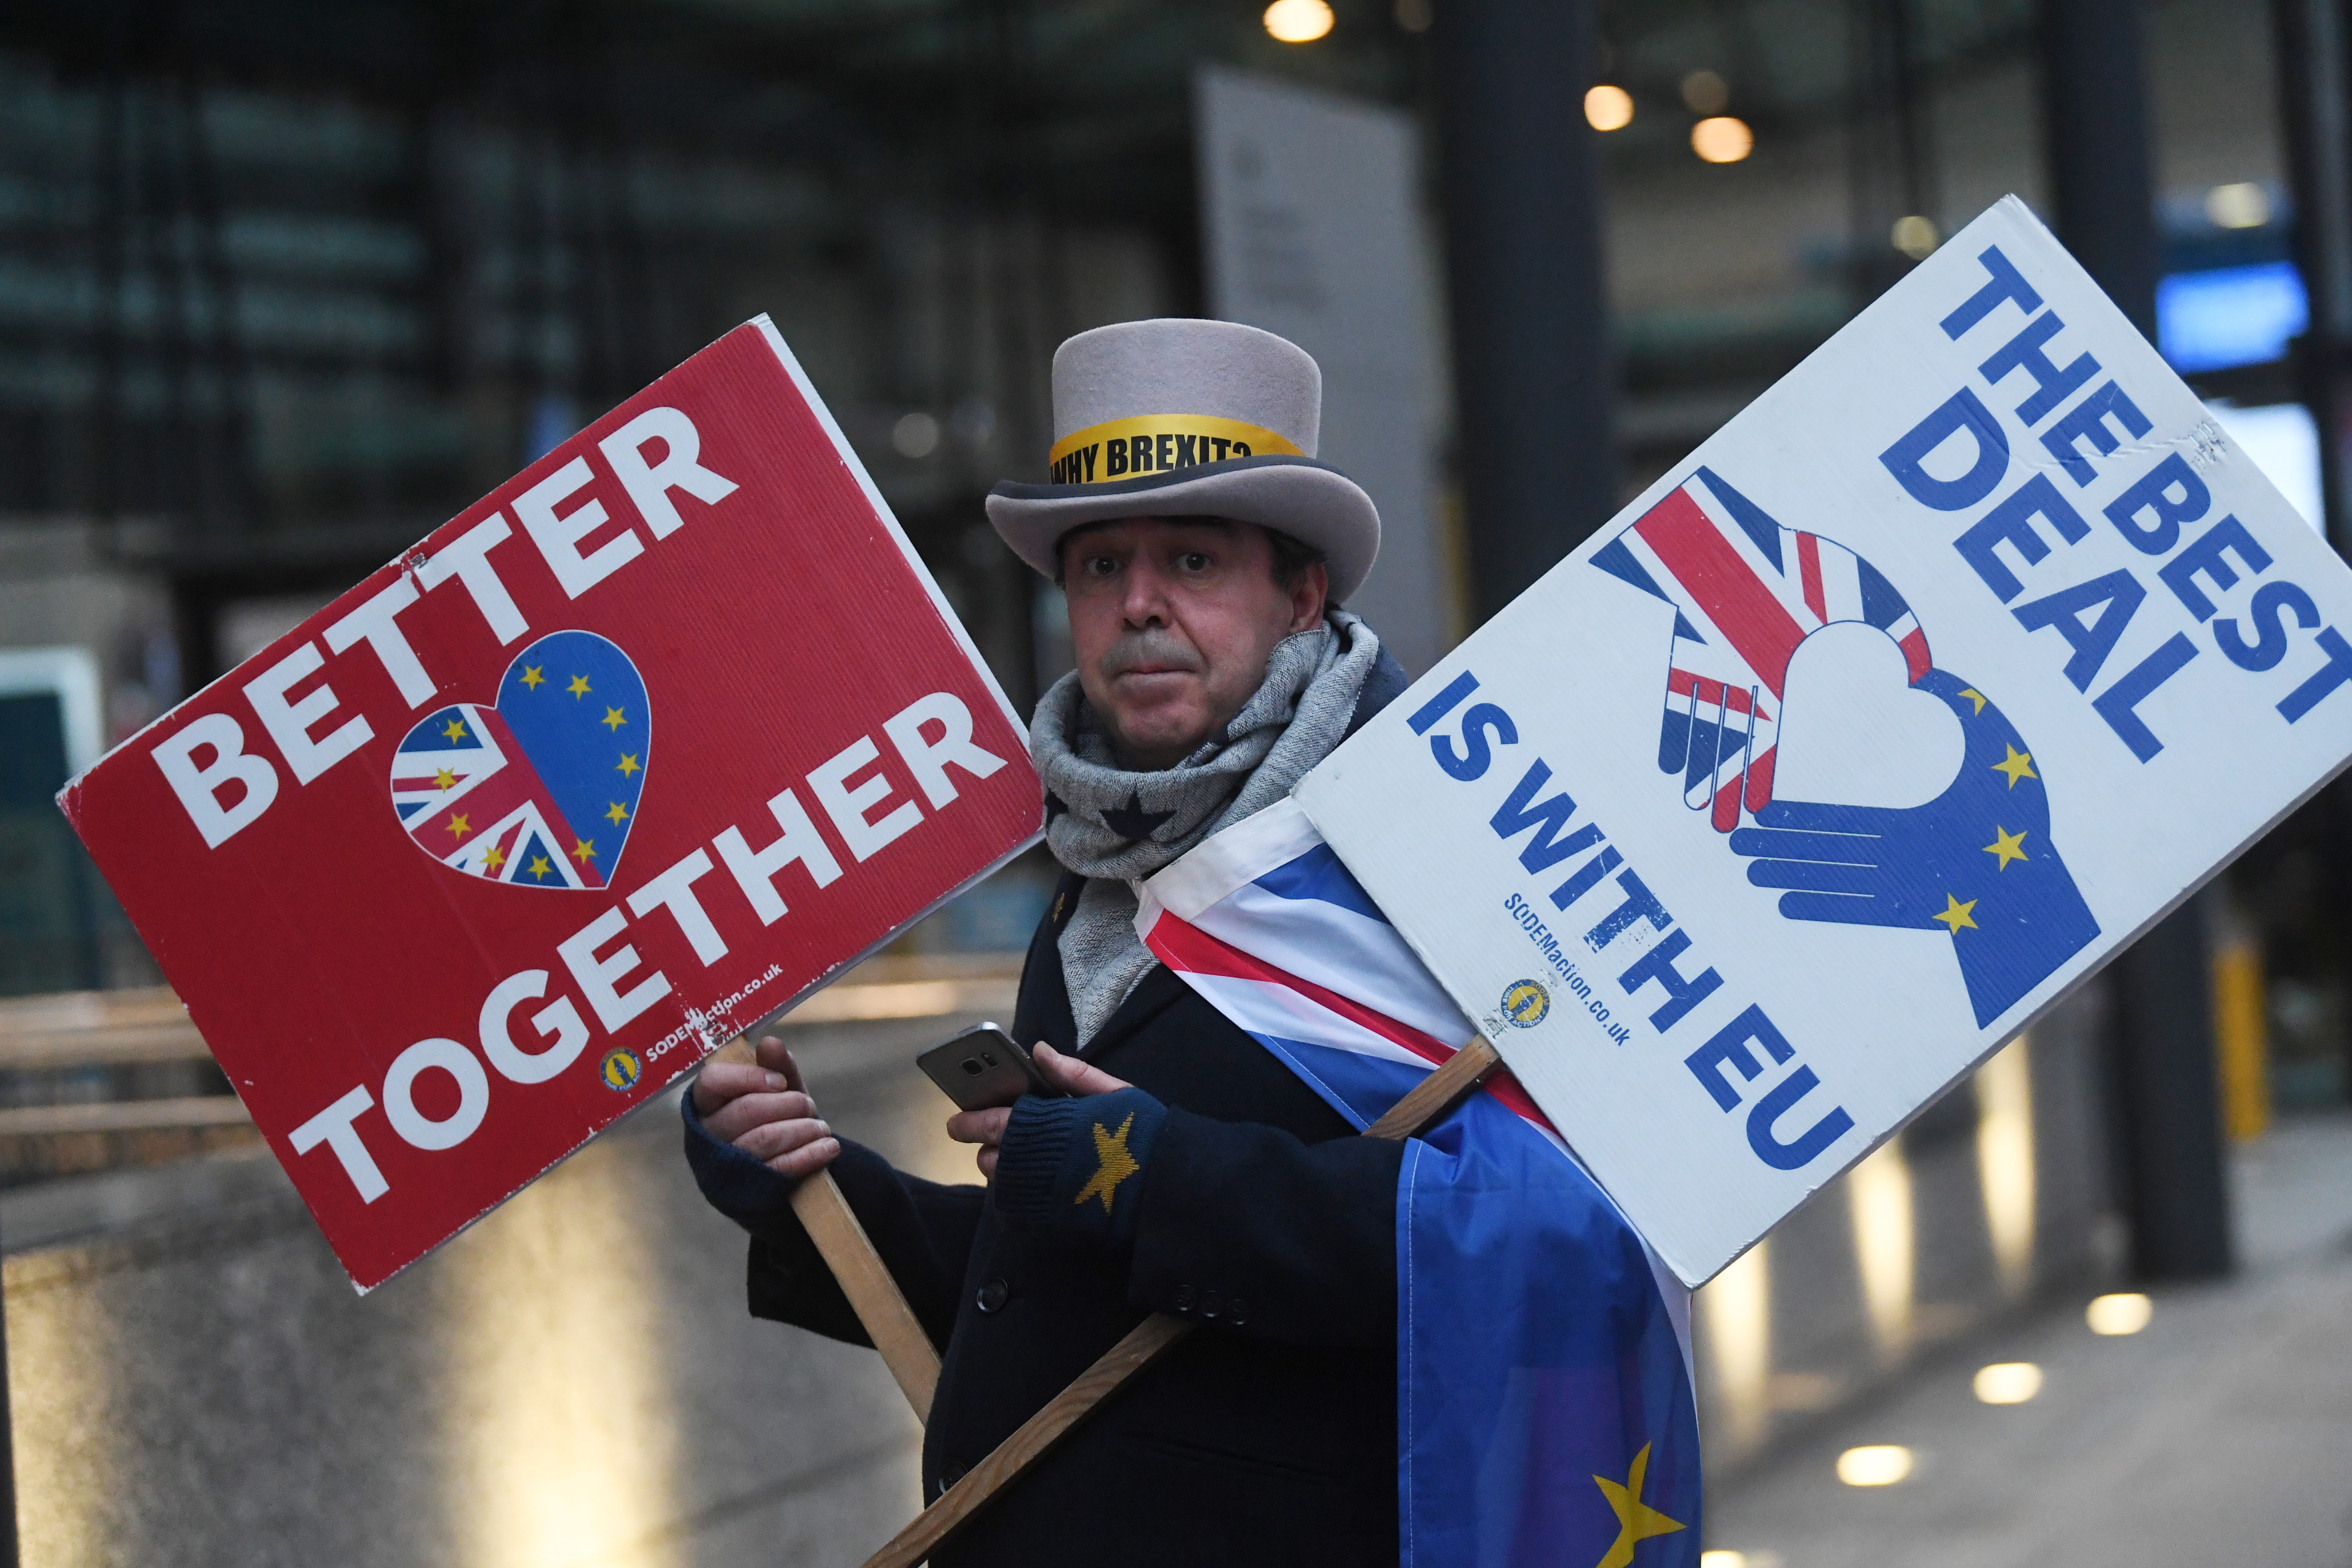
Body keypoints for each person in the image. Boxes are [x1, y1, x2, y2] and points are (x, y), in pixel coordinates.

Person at [683, 318, 1411, 1565]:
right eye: (1098, 566)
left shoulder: (1411, 852)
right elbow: (1064, 1282)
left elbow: (1510, 1244)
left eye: (1192, 559)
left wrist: (1154, 1173)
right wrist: (809, 1188)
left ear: (1300, 597)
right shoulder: (1091, 862)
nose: (1138, 605)